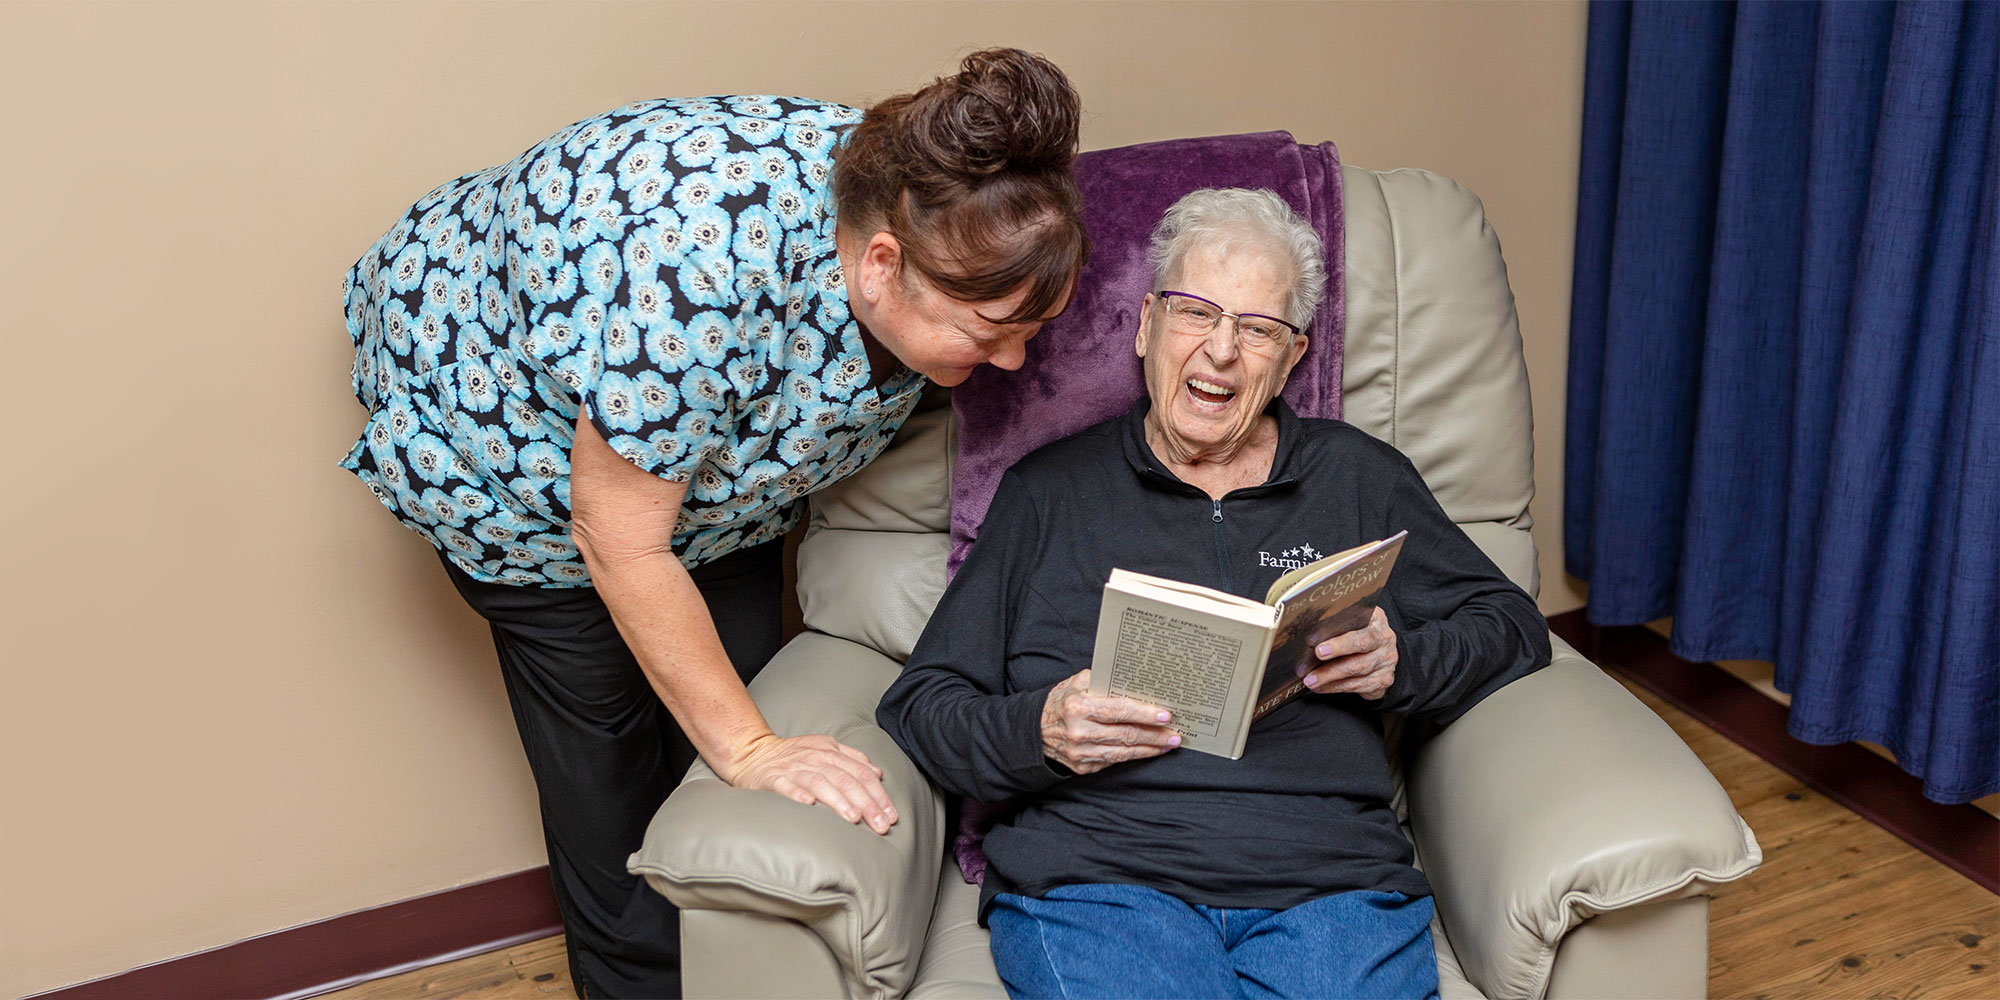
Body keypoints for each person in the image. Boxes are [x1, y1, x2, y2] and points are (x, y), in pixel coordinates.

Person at [339, 49, 1088, 999]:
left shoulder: (930, 196)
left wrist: (744, 737)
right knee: (612, 795)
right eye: (988, 332)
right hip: (519, 471)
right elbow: (619, 538)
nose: (1015, 362)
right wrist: (749, 748)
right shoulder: (693, 276)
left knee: (733, 706)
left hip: (707, 495)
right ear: (882, 266)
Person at [876, 188, 1550, 1000]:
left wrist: (1401, 663)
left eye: (1258, 328)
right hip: (1100, 881)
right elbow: (922, 704)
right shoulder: (1049, 494)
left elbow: (1512, 623)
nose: (1222, 352)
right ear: (1147, 324)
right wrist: (1043, 729)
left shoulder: (1359, 479)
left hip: (1329, 887)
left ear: (1293, 356)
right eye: (1196, 313)